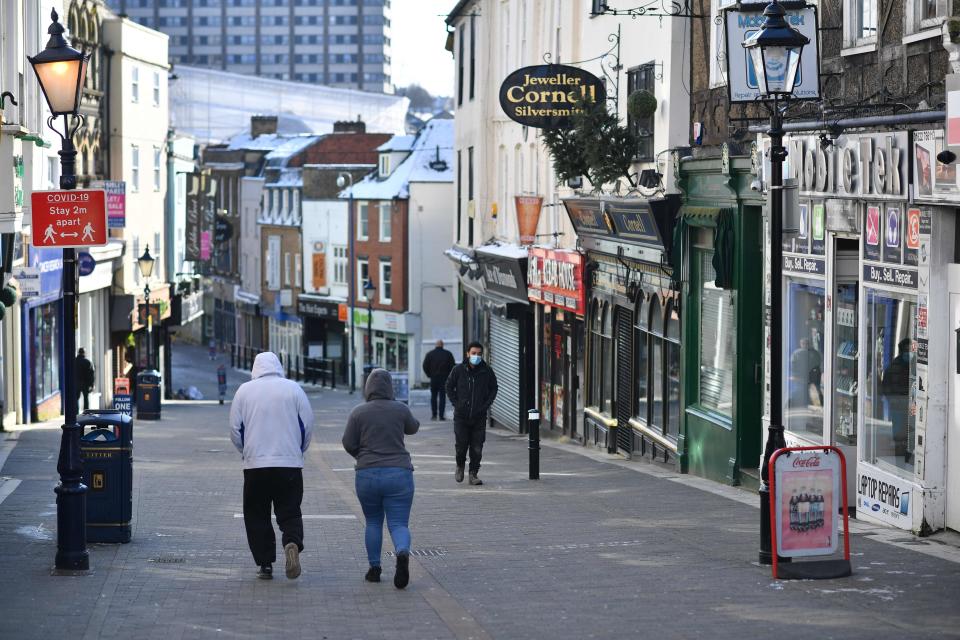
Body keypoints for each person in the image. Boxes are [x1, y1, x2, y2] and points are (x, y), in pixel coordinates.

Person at [229, 352, 314, 580]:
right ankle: (292, 543)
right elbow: (307, 425)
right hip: (289, 464)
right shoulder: (294, 389)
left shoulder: (244, 391)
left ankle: (265, 564)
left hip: (255, 465)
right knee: (290, 510)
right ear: (279, 366)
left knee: (257, 514)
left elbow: (235, 430)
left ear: (255, 368)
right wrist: (298, 451)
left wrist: (246, 452)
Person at [342, 368, 419, 589]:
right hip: (399, 474)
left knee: (373, 522)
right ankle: (402, 552)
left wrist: (361, 455)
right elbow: (413, 428)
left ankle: (374, 569)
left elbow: (347, 442)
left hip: (367, 475)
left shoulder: (358, 412)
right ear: (390, 387)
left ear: (368, 388)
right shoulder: (400, 409)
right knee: (398, 523)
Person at [445, 341, 498, 486]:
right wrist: (457, 404)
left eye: (479, 354)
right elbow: (449, 387)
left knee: (477, 447)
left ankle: (473, 474)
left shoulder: (486, 371)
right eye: (473, 353)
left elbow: (494, 388)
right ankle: (460, 465)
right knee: (461, 446)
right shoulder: (458, 370)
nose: (476, 356)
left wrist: (486, 405)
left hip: (479, 416)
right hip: (461, 416)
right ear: (467, 354)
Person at [881, 338, 914, 464]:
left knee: (910, 432)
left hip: (907, 405)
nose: (909, 353)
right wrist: (894, 400)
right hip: (899, 405)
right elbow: (885, 386)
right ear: (902, 351)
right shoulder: (896, 366)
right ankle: (901, 459)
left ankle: (906, 457)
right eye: (907, 350)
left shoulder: (912, 365)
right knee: (900, 434)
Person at [422, 339, 455, 421]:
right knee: (442, 397)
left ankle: (434, 415)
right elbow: (453, 366)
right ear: (442, 345)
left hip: (433, 378)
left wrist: (429, 375)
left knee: (433, 397)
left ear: (436, 345)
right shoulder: (448, 354)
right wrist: (449, 377)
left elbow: (425, 366)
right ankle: (441, 416)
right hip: (444, 379)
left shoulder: (430, 354)